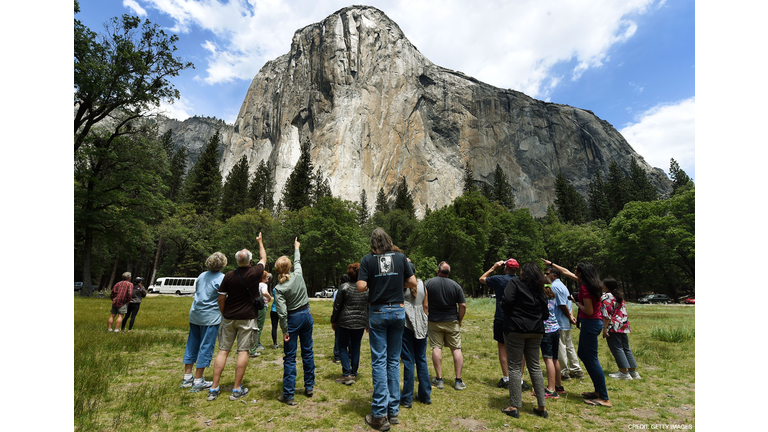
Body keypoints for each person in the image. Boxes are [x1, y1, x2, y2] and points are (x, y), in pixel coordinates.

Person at [357, 227, 417, 431]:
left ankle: (379, 414)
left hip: (378, 311)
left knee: (379, 361)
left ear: (373, 243)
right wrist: (395, 282)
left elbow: (361, 286)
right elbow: (412, 281)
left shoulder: (367, 260)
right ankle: (393, 412)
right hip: (398, 311)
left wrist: (376, 282)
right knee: (393, 361)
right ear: (389, 241)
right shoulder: (401, 258)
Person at [542, 259, 612, 408]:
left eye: (576, 270)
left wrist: (575, 301)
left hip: (591, 323)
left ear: (581, 273)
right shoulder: (591, 283)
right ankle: (598, 391)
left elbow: (589, 310)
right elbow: (565, 272)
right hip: (591, 323)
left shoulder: (586, 288)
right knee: (583, 354)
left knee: (592, 359)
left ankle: (604, 397)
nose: (573, 272)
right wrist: (552, 264)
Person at [206, 233, 267, 402]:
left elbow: (221, 298)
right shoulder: (256, 272)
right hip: (247, 318)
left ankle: (214, 388)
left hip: (229, 317)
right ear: (249, 261)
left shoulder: (229, 276)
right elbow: (264, 257)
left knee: (223, 351)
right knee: (243, 351)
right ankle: (236, 388)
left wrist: (224, 313)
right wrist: (260, 242)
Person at [499, 262, 550, 419]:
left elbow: (506, 301)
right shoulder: (539, 290)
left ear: (524, 273)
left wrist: (512, 314)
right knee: (534, 366)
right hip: (536, 330)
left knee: (514, 367)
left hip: (516, 328)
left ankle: (514, 406)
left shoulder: (514, 283)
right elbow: (546, 313)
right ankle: (541, 406)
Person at [274, 237, 316, 405]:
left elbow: (282, 313)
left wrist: (285, 331)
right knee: (308, 351)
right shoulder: (298, 275)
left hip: (292, 319)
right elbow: (298, 260)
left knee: (290, 357)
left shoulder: (279, 288)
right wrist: (296, 247)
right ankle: (309, 386)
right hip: (307, 315)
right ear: (290, 267)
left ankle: (289, 394)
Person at [181, 252, 227, 392]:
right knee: (206, 346)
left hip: (195, 314)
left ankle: (187, 377)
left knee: (192, 343)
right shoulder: (222, 278)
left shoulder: (201, 275)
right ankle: (198, 380)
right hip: (210, 317)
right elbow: (222, 299)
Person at [425, 261, 467, 391]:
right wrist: (459, 320)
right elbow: (463, 305)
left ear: (438, 271)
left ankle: (439, 379)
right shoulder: (455, 285)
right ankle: (458, 380)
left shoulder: (428, 283)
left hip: (434, 321)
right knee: (456, 349)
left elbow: (424, 302)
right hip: (451, 320)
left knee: (437, 348)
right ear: (448, 272)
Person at [479, 259, 518, 389]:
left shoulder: (499, 279)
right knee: (519, 348)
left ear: (505, 268)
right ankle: (519, 379)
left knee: (502, 347)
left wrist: (493, 267)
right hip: (518, 319)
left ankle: (506, 377)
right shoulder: (521, 281)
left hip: (501, 317)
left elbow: (482, 279)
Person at [543, 265, 582, 381]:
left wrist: (570, 317)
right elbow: (568, 302)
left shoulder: (554, 286)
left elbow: (562, 304)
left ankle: (564, 372)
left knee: (561, 348)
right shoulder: (562, 285)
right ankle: (576, 369)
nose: (545, 276)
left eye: (547, 274)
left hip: (559, 321)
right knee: (569, 346)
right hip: (565, 320)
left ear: (555, 275)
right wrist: (571, 316)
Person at [330, 264, 368, 385]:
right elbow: (368, 306)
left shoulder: (344, 287)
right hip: (360, 323)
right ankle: (353, 373)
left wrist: (333, 320)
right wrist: (367, 321)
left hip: (344, 322)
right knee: (356, 347)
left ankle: (346, 374)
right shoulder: (366, 288)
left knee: (342, 347)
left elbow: (337, 306)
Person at [400, 261, 431, 407]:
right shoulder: (421, 284)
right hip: (421, 325)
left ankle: (407, 398)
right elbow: (426, 306)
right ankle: (425, 395)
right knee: (421, 359)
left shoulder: (401, 286)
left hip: (406, 325)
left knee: (408, 361)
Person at [601, 278, 640, 380]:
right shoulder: (619, 296)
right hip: (623, 324)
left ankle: (623, 372)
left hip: (613, 326)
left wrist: (605, 328)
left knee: (617, 348)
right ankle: (633, 372)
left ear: (606, 286)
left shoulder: (606, 297)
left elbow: (606, 314)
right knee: (626, 348)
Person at [540, 282, 563, 398]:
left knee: (548, 359)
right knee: (555, 358)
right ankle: (559, 386)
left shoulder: (541, 298)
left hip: (547, 331)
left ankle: (551, 389)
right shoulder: (552, 297)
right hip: (556, 329)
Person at [249, 272, 273, 358]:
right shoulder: (263, 285)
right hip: (261, 307)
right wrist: (269, 298)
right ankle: (253, 350)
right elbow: (264, 292)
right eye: (266, 277)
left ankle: (242, 348)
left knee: (250, 327)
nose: (267, 278)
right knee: (258, 328)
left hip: (253, 307)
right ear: (262, 278)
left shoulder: (254, 284)